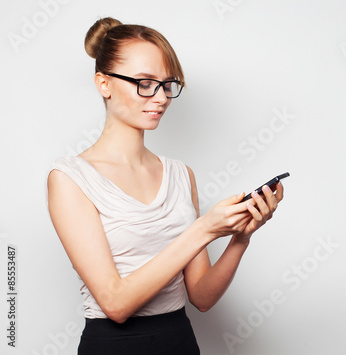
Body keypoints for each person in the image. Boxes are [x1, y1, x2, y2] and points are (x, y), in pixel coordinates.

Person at [45, 17, 284, 355]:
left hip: (180, 342)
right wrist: (203, 229)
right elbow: (115, 303)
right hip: (113, 346)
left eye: (167, 84)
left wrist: (239, 238)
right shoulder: (70, 178)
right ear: (104, 84)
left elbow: (200, 297)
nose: (160, 97)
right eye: (144, 82)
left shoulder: (180, 175)